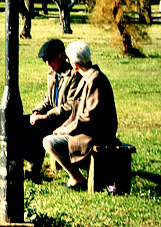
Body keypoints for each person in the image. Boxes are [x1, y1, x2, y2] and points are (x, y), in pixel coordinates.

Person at [42, 40, 118, 190]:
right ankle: (77, 176)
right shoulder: (87, 77)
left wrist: (68, 129)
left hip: (96, 134)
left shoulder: (95, 80)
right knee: (53, 136)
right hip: (88, 131)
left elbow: (89, 116)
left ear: (75, 64)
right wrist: (63, 127)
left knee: (49, 142)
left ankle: (76, 179)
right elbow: (76, 111)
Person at [23, 39, 81, 184]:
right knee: (22, 121)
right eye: (45, 61)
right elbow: (48, 100)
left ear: (62, 55)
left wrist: (46, 116)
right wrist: (36, 112)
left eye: (51, 60)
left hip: (67, 119)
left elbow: (70, 105)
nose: (48, 64)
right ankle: (20, 162)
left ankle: (35, 169)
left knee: (39, 126)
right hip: (53, 116)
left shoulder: (73, 75)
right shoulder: (52, 74)